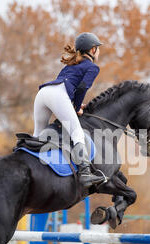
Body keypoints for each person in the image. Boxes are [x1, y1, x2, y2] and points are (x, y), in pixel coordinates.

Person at [33, 32, 104, 188]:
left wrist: (74, 106)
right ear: (92, 50)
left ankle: (22, 153)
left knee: (38, 135)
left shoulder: (71, 64)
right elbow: (82, 87)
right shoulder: (92, 67)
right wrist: (77, 108)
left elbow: (67, 87)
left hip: (43, 93)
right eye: (98, 48)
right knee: (77, 132)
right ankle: (85, 173)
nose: (99, 51)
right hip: (58, 95)